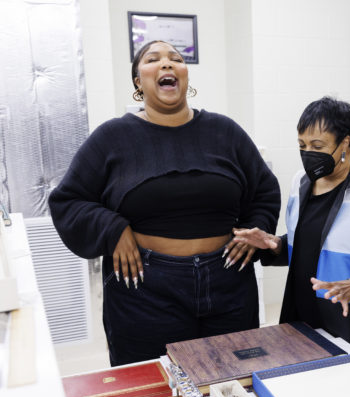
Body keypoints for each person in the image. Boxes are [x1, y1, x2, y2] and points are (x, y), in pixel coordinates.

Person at [48, 40, 280, 366]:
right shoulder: (112, 138)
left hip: (228, 282)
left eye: (176, 59)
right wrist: (113, 228)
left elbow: (264, 191)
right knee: (156, 389)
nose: (167, 64)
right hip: (144, 289)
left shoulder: (225, 131)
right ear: (137, 82)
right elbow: (67, 200)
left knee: (234, 381)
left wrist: (255, 232)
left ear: (186, 76)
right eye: (153, 59)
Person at [231, 96, 350, 353]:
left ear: (344, 142)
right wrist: (275, 245)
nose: (308, 154)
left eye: (318, 145)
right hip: (301, 309)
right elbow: (311, 243)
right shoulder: (301, 181)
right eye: (302, 145)